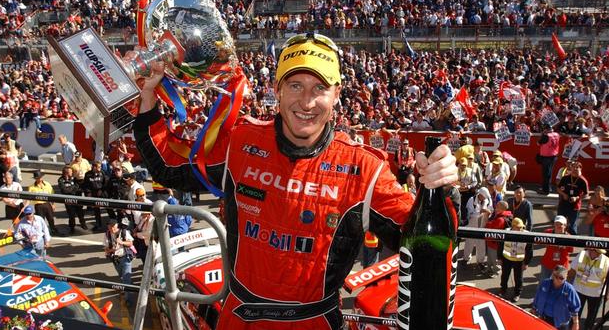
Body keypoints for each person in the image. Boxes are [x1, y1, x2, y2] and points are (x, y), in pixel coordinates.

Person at [131, 32, 458, 329]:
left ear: (336, 94)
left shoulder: (364, 168)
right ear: (277, 89)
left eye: (319, 88)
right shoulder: (241, 141)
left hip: (314, 322)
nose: (306, 102)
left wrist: (441, 190)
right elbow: (169, 168)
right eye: (295, 85)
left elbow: (421, 240)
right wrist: (148, 97)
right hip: (238, 316)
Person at [569, 247, 609, 330]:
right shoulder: (581, 255)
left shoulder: (606, 261)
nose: (596, 253)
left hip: (596, 294)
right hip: (579, 291)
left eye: (598, 252)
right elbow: (572, 272)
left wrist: (607, 294)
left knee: (591, 318)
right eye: (593, 250)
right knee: (574, 315)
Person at [532, 265, 581, 330]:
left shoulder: (569, 290)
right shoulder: (544, 284)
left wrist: (576, 323)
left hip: (560, 323)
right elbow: (537, 297)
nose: (558, 279)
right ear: (553, 275)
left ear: (566, 277)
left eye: (561, 278)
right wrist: (534, 310)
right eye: (556, 276)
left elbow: (574, 308)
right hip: (544, 318)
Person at [498, 217, 533, 302]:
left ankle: (517, 293)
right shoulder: (505, 233)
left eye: (521, 227)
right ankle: (503, 290)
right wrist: (499, 258)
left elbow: (529, 250)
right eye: (518, 227)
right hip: (507, 259)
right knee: (504, 276)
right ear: (512, 226)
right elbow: (500, 246)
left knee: (518, 279)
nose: (520, 229)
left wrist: (526, 263)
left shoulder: (527, 235)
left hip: (519, 260)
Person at [103, 218, 135, 304]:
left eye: (113, 226)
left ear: (116, 225)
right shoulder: (107, 234)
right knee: (122, 276)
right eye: (109, 227)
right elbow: (106, 249)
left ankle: (128, 299)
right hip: (115, 259)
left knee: (126, 279)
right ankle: (129, 287)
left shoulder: (124, 232)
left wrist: (122, 242)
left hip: (125, 258)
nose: (111, 228)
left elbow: (130, 243)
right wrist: (111, 250)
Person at [463, 187, 493, 270]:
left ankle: (480, 261)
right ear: (479, 194)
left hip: (483, 224)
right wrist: (480, 212)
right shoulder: (471, 200)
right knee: (469, 241)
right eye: (483, 196)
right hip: (472, 224)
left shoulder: (488, 200)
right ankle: (466, 258)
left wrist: (487, 211)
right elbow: (470, 213)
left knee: (481, 244)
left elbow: (491, 210)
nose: (484, 198)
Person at [557, 161, 589, 235]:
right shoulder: (565, 178)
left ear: (580, 168)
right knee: (559, 222)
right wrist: (564, 194)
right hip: (563, 204)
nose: (574, 168)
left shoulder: (583, 180)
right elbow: (558, 189)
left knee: (572, 225)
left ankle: (573, 242)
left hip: (575, 206)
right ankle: (558, 240)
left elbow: (586, 194)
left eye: (577, 167)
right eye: (573, 167)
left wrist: (577, 198)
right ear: (570, 168)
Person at [539, 215, 574, 281]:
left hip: (561, 266)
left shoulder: (569, 237)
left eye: (560, 224)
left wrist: (563, 246)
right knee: (543, 284)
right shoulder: (547, 233)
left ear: (565, 225)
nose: (558, 226)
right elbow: (540, 242)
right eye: (556, 224)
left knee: (559, 285)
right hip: (548, 263)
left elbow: (571, 250)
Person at [484, 201, 513, 278]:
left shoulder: (500, 219)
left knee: (494, 259)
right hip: (492, 242)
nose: (495, 208)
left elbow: (491, 228)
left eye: (497, 206)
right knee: (490, 257)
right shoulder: (505, 216)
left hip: (495, 243)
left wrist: (487, 222)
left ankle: (496, 271)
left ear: (501, 208)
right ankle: (489, 269)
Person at [57, 166, 87, 233]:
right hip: (68, 201)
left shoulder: (74, 178)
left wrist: (71, 189)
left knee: (80, 213)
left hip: (77, 199)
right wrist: (73, 189)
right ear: (66, 173)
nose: (72, 173)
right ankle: (72, 227)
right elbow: (64, 190)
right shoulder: (61, 180)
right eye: (71, 172)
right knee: (71, 215)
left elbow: (78, 187)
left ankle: (83, 224)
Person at [28, 170, 58, 235]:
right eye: (37, 178)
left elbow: (51, 194)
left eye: (40, 177)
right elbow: (29, 198)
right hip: (38, 205)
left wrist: (52, 204)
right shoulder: (31, 187)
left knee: (51, 218)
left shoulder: (47, 184)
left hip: (47, 204)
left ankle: (53, 230)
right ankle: (42, 233)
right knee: (40, 220)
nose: (39, 179)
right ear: (35, 178)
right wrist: (26, 205)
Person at [83, 161, 109, 230]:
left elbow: (105, 183)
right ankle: (98, 224)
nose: (100, 168)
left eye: (100, 167)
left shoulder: (102, 173)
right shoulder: (88, 174)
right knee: (96, 210)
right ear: (94, 167)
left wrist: (101, 190)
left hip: (102, 193)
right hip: (93, 194)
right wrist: (89, 193)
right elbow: (86, 185)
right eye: (98, 167)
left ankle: (111, 222)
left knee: (108, 207)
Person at [538, 124, 560, 195]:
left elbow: (538, 143)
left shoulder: (546, 136)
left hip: (547, 156)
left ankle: (546, 190)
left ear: (546, 129)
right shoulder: (556, 134)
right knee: (549, 173)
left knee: (546, 174)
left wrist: (542, 134)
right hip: (554, 155)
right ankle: (548, 188)